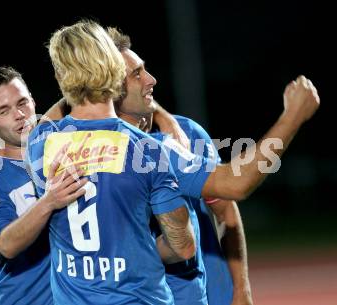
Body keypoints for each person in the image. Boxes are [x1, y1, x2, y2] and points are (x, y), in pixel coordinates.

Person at [42, 26, 319, 305]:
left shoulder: (55, 144)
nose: (151, 79)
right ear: (112, 84)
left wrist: (240, 287)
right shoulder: (154, 149)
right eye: (136, 74)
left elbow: (224, 209)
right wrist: (293, 116)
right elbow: (236, 182)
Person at [27, 20, 206, 305]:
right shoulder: (147, 148)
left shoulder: (40, 143)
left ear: (62, 76)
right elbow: (183, 247)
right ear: (114, 67)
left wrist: (77, 79)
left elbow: (53, 117)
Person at [0, 66, 87, 305]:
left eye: (22, 103)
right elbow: (6, 244)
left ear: (33, 101)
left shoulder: (66, 146)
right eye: (4, 111)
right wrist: (49, 201)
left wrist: (162, 117)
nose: (19, 114)